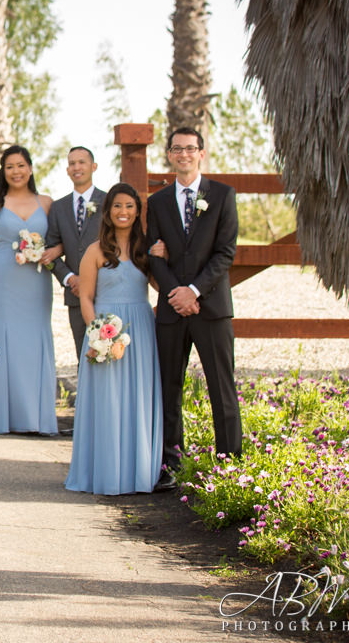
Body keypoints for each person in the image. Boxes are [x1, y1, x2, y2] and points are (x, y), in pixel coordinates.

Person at [147, 127, 241, 492]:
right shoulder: (156, 203)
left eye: (190, 148)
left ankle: (230, 466)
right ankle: (172, 464)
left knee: (222, 387)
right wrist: (176, 293)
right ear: (169, 155)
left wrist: (195, 291)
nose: (183, 154)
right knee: (168, 388)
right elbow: (154, 254)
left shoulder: (222, 195)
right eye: (177, 149)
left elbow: (225, 253)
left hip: (211, 306)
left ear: (201, 153)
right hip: (172, 310)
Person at [64, 183, 163, 495]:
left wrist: (163, 257)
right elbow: (87, 298)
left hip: (141, 331)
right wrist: (99, 336)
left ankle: (138, 473)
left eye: (130, 207)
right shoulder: (94, 252)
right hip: (104, 330)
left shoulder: (145, 249)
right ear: (108, 212)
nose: (124, 212)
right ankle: (105, 474)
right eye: (117, 206)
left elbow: (161, 287)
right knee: (107, 401)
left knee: (137, 398)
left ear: (137, 212)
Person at [0, 145, 57, 435]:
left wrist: (45, 252)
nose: (16, 171)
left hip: (35, 281)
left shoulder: (46, 203)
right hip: (1, 280)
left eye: (21, 165)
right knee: (0, 336)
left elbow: (59, 241)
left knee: (33, 337)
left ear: (30, 168)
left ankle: (33, 417)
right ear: (3, 171)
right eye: (10, 166)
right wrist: (1, 251)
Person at [44, 146, 106, 360]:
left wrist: (92, 280)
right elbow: (49, 251)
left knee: (109, 351)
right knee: (84, 356)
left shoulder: (108, 202)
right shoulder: (58, 207)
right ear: (67, 170)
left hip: (105, 291)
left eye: (82, 162)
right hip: (75, 295)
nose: (76, 167)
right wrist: (70, 278)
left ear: (93, 166)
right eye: (72, 163)